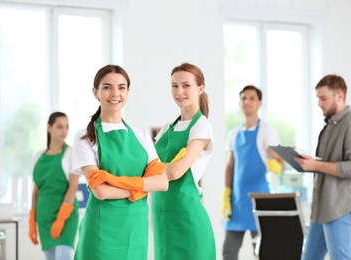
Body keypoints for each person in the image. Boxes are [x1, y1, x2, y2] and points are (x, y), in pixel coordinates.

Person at [72, 64, 169, 260]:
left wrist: (113, 180)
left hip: (136, 233)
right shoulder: (85, 138)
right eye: (107, 87)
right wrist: (142, 188)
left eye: (121, 87)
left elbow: (162, 182)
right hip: (101, 233)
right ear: (95, 92)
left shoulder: (141, 136)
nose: (115, 93)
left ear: (128, 91)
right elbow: (101, 191)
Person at [295, 74, 351, 260]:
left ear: (339, 96)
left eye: (323, 98)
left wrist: (316, 165)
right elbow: (325, 163)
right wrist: (308, 161)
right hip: (322, 206)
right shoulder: (330, 126)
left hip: (340, 207)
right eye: (318, 99)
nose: (319, 104)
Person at [152, 62, 216, 260]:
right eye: (174, 85)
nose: (179, 91)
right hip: (162, 218)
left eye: (186, 85)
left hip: (188, 218)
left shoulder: (201, 127)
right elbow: (146, 167)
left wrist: (145, 174)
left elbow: (176, 171)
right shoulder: (165, 129)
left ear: (200, 88)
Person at [221, 85, 285, 260]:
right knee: (228, 251)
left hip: (260, 201)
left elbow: (280, 160)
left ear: (259, 103)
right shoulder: (234, 134)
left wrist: (278, 166)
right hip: (238, 201)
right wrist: (226, 193)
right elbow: (230, 166)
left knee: (263, 251)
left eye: (251, 98)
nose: (247, 102)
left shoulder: (267, 131)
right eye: (243, 98)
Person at [28, 112, 79, 260]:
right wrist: (32, 218)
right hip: (44, 217)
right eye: (59, 127)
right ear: (49, 128)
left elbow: (73, 187)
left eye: (67, 127)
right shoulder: (38, 156)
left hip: (66, 216)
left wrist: (61, 219)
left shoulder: (71, 153)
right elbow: (36, 191)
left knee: (63, 257)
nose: (64, 131)